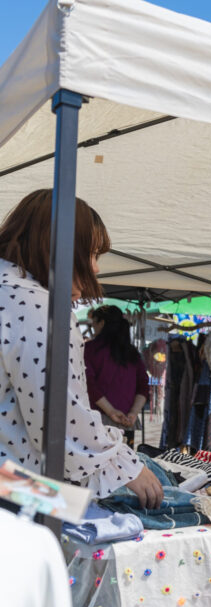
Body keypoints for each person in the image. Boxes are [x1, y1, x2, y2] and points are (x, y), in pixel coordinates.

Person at [0, 189, 163, 508]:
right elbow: (60, 424)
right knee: (102, 522)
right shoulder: (38, 307)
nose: (96, 269)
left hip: (12, 485)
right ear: (59, 249)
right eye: (91, 254)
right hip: (17, 491)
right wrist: (126, 465)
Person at [84, 305, 150, 446]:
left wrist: (111, 411)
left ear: (102, 323)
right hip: (127, 422)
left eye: (93, 323)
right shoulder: (132, 353)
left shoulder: (89, 350)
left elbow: (89, 384)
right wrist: (133, 413)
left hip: (96, 421)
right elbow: (144, 385)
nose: (92, 327)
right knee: (125, 459)